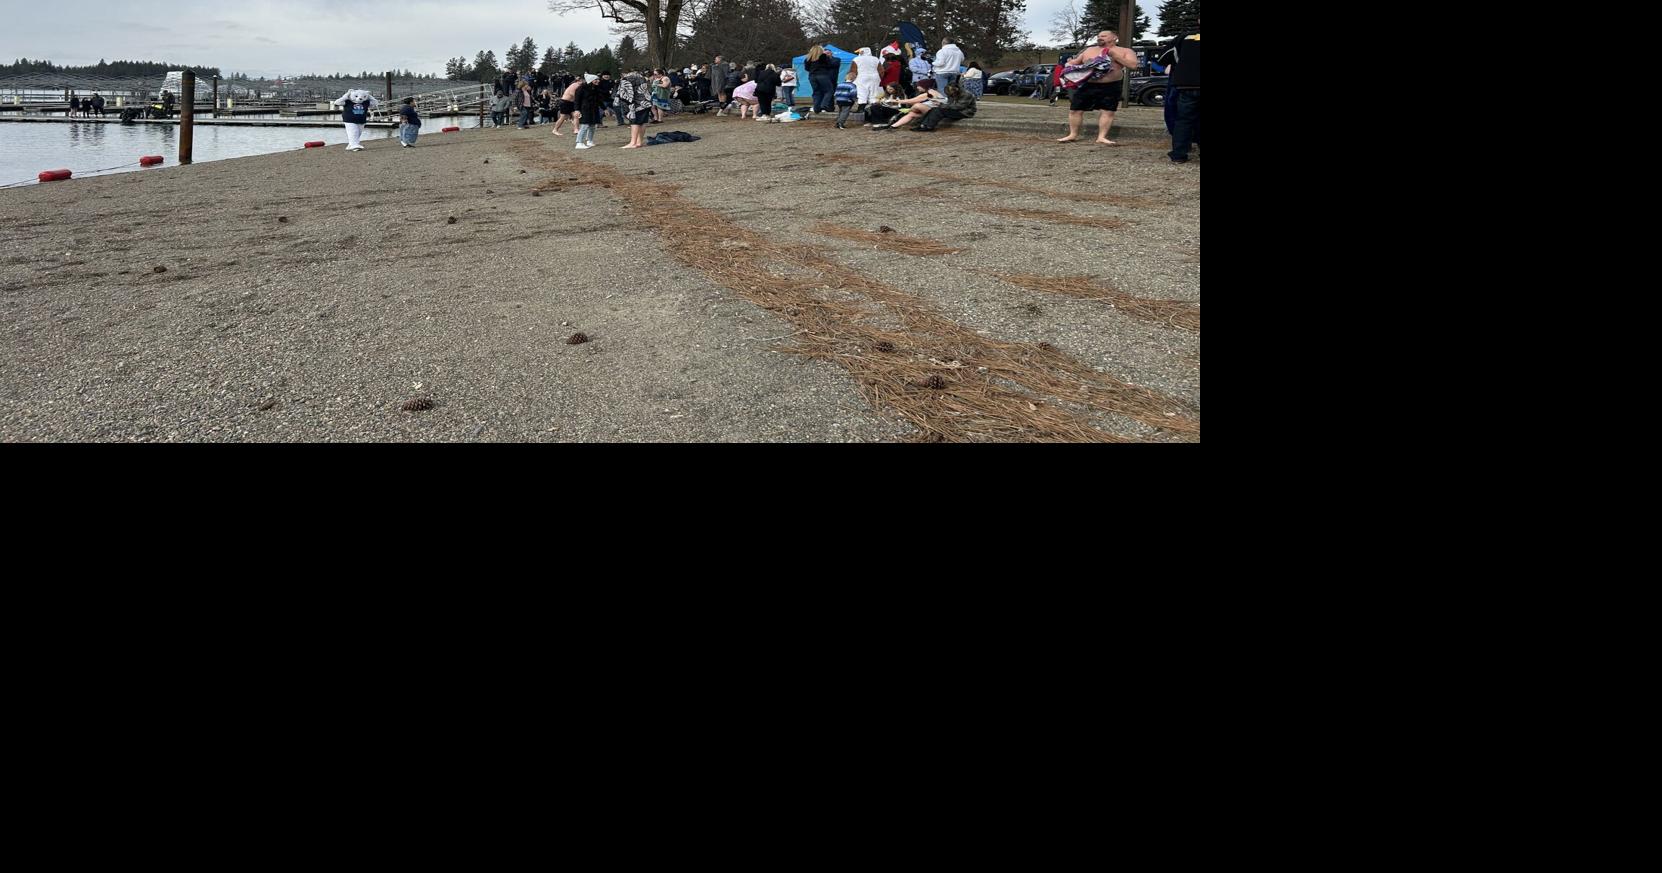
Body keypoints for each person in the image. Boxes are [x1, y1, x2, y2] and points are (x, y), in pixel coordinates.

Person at [1057, 30, 1139, 145]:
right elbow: (1075, 62)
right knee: (1075, 109)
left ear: (1115, 37)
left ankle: (1102, 137)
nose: (1100, 38)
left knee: (1108, 111)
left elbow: (1133, 65)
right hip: (1087, 84)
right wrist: (1069, 65)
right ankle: (1073, 134)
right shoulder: (1089, 50)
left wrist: (1114, 55)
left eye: (1104, 36)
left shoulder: (1125, 51)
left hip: (1111, 85)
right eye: (1099, 36)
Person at [1158, 19, 1200, 164]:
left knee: (1184, 120)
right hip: (1187, 84)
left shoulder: (1184, 37)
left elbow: (1163, 58)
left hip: (1186, 85)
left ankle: (1179, 155)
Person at [330, 87, 378, 151]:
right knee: (353, 132)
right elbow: (337, 102)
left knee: (358, 133)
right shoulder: (347, 102)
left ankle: (350, 145)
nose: (360, 98)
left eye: (363, 97)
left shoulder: (365, 102)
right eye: (356, 96)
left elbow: (375, 103)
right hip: (349, 120)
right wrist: (346, 95)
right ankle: (355, 145)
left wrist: (369, 96)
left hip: (361, 120)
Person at [574, 73, 602, 149]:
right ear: (591, 80)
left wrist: (604, 108)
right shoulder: (581, 88)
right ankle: (579, 142)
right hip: (585, 109)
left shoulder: (596, 88)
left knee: (592, 126)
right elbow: (577, 100)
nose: (598, 81)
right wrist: (577, 110)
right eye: (596, 79)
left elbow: (599, 100)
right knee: (585, 125)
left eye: (598, 79)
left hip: (594, 109)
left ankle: (589, 141)